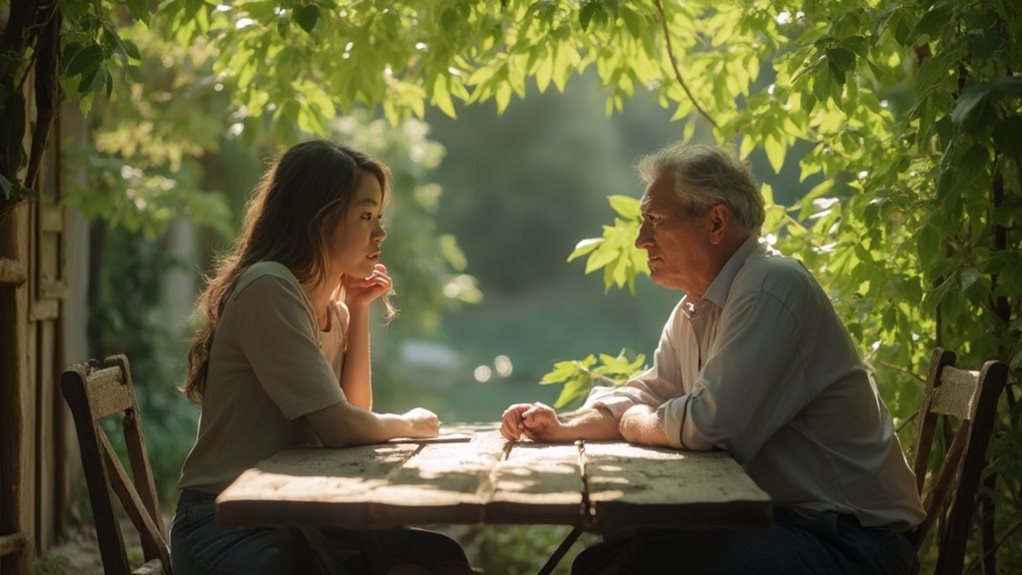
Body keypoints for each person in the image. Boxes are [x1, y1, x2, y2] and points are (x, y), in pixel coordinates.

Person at [500, 143, 925, 575]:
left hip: (854, 543)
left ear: (716, 221)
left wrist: (635, 423)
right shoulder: (699, 305)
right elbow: (652, 390)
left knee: (630, 569)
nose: (640, 240)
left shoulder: (770, 287)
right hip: (787, 526)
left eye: (655, 221)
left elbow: (711, 426)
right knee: (600, 562)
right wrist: (566, 425)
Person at [171, 140, 472, 575]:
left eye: (379, 218)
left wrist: (359, 308)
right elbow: (340, 428)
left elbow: (352, 416)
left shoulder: (330, 307)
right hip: (226, 527)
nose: (380, 233)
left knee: (444, 559)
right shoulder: (269, 288)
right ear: (320, 219)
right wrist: (408, 424)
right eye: (365, 216)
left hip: (294, 521)